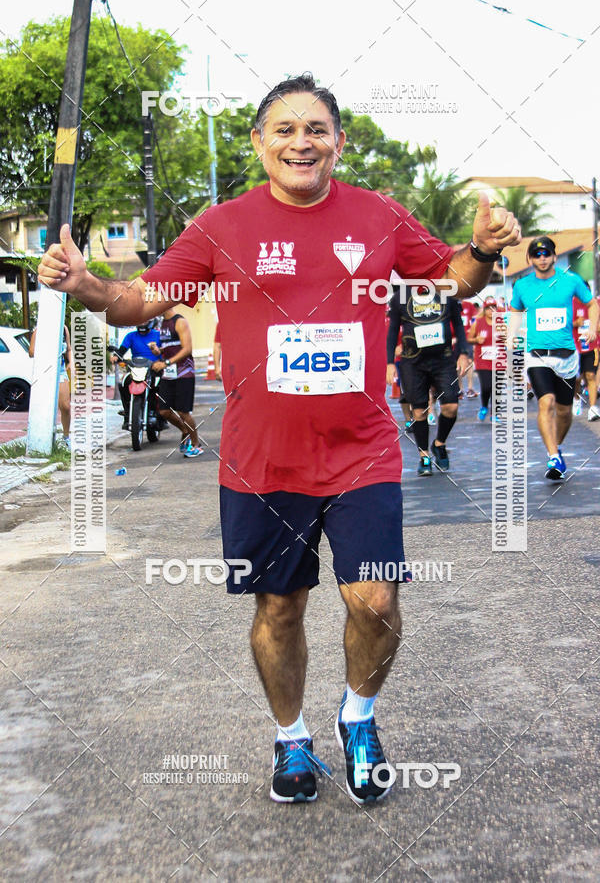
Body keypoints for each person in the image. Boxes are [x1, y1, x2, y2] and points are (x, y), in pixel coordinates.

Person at [38, 73, 520, 805]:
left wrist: (481, 250)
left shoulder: (380, 214)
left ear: (338, 141)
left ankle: (358, 717)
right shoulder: (220, 227)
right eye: (286, 130)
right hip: (263, 463)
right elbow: (137, 301)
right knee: (280, 608)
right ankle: (290, 736)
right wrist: (86, 286)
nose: (303, 142)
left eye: (317, 129)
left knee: (376, 601)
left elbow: (451, 280)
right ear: (260, 142)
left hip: (362, 453)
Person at [508, 236, 599, 481]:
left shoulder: (570, 281)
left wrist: (592, 327)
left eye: (546, 254)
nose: (542, 258)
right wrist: (511, 345)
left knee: (564, 412)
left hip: (567, 356)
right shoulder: (522, 286)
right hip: (537, 356)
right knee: (545, 402)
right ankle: (552, 456)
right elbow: (514, 315)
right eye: (536, 255)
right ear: (530, 259)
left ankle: (555, 448)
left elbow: (593, 304)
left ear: (554, 257)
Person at [386, 292, 470, 475]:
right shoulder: (401, 297)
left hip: (443, 359)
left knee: (451, 406)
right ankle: (424, 456)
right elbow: (392, 330)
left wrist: (464, 353)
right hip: (413, 362)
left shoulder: (446, 293)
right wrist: (389, 362)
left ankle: (439, 443)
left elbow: (458, 324)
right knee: (419, 411)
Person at [149, 307, 203, 457]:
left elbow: (187, 349)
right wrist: (157, 351)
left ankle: (196, 444)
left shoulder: (179, 321)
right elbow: (170, 347)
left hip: (184, 373)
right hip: (169, 374)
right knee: (164, 410)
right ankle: (185, 430)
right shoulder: (162, 324)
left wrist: (165, 362)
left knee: (183, 412)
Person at [110, 321, 161, 429]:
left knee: (159, 387)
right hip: (135, 369)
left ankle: (157, 412)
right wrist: (116, 356)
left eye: (145, 321)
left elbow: (165, 351)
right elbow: (121, 351)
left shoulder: (157, 335)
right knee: (123, 384)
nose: (143, 324)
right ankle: (128, 412)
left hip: (154, 369)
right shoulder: (131, 336)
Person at [29, 323, 71, 448]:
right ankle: (41, 439)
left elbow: (68, 348)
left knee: (65, 406)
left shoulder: (64, 329)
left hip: (61, 370)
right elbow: (31, 352)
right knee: (44, 405)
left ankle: (66, 437)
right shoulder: (40, 330)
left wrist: (71, 362)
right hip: (45, 371)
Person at [467, 296, 497, 421]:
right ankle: (484, 406)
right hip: (482, 360)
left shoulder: (501, 322)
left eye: (493, 308)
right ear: (484, 310)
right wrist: (476, 340)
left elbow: (509, 337)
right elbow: (468, 338)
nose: (491, 311)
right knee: (486, 386)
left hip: (498, 359)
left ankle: (495, 413)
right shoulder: (478, 323)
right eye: (488, 308)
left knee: (497, 388)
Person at [572, 291, 600, 421]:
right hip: (575, 348)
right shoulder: (570, 304)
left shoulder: (595, 304)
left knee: (591, 375)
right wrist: (576, 323)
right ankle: (576, 399)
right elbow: (563, 324)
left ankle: (593, 408)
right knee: (577, 379)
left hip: (592, 346)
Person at [457, 298, 479, 398]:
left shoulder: (469, 305)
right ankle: (460, 389)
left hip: (467, 338)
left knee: (469, 362)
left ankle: (470, 388)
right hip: (455, 339)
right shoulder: (451, 304)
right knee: (457, 364)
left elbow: (475, 321)